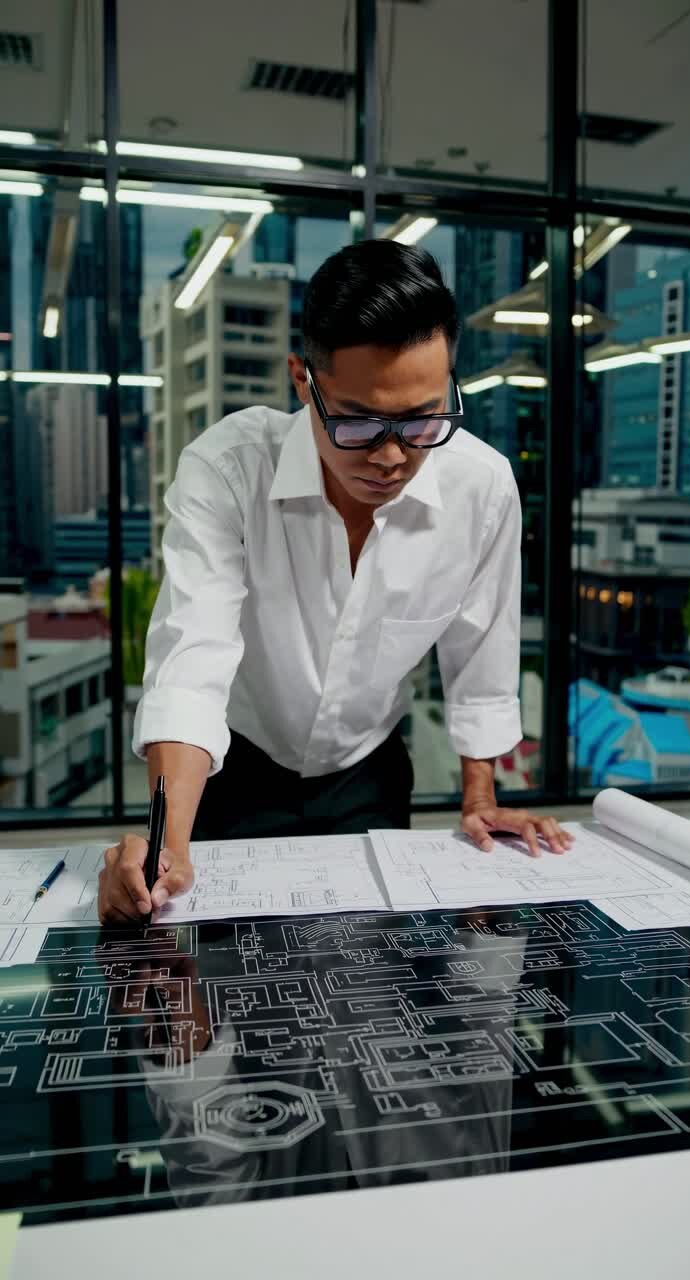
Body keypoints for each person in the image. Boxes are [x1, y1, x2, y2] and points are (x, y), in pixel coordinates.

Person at [99, 240, 572, 925]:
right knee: (228, 980)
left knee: (369, 983)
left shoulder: (482, 484)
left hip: (368, 773)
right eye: (355, 420)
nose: (390, 455)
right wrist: (166, 850)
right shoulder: (229, 468)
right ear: (302, 380)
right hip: (238, 770)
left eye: (420, 419)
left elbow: (481, 649)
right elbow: (191, 658)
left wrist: (479, 798)